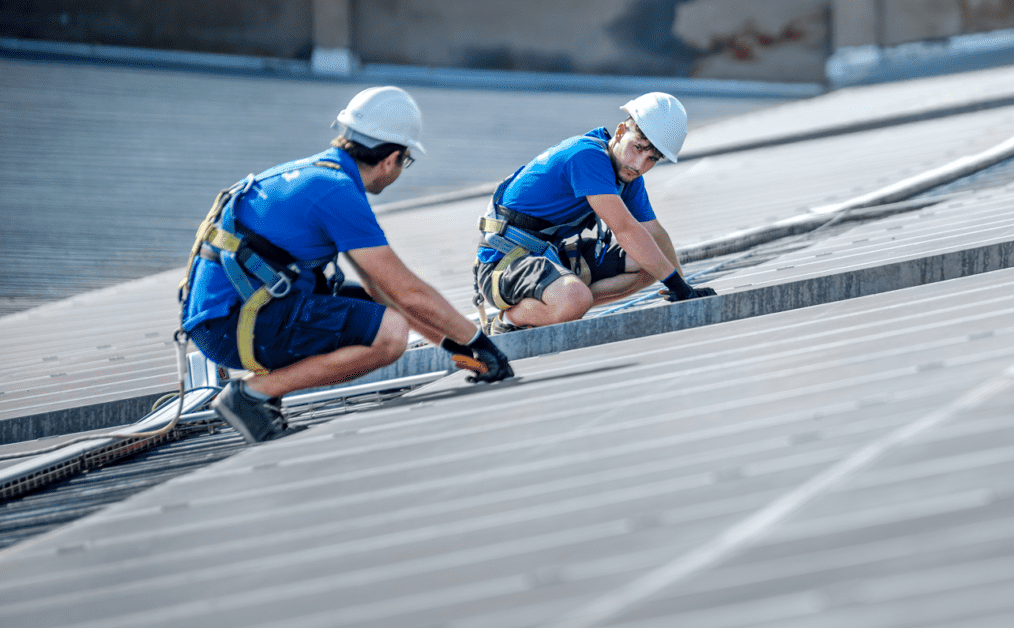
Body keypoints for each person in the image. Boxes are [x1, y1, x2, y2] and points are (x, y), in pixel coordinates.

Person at [180, 86, 513, 444]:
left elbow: (382, 291)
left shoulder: (316, 175)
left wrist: (454, 347)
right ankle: (252, 396)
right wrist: (480, 341)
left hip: (226, 318)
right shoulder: (337, 192)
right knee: (389, 336)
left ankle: (264, 394)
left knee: (370, 310)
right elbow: (408, 290)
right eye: (406, 161)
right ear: (392, 159)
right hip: (234, 326)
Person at [474, 91, 716, 333]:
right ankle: (509, 321)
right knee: (576, 299)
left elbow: (653, 232)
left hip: (546, 256)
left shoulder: (627, 175)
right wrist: (675, 283)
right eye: (638, 148)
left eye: (652, 158)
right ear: (621, 132)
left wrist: (684, 287)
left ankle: (563, 303)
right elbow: (624, 228)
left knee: (650, 263)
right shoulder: (587, 156)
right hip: (503, 264)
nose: (640, 165)